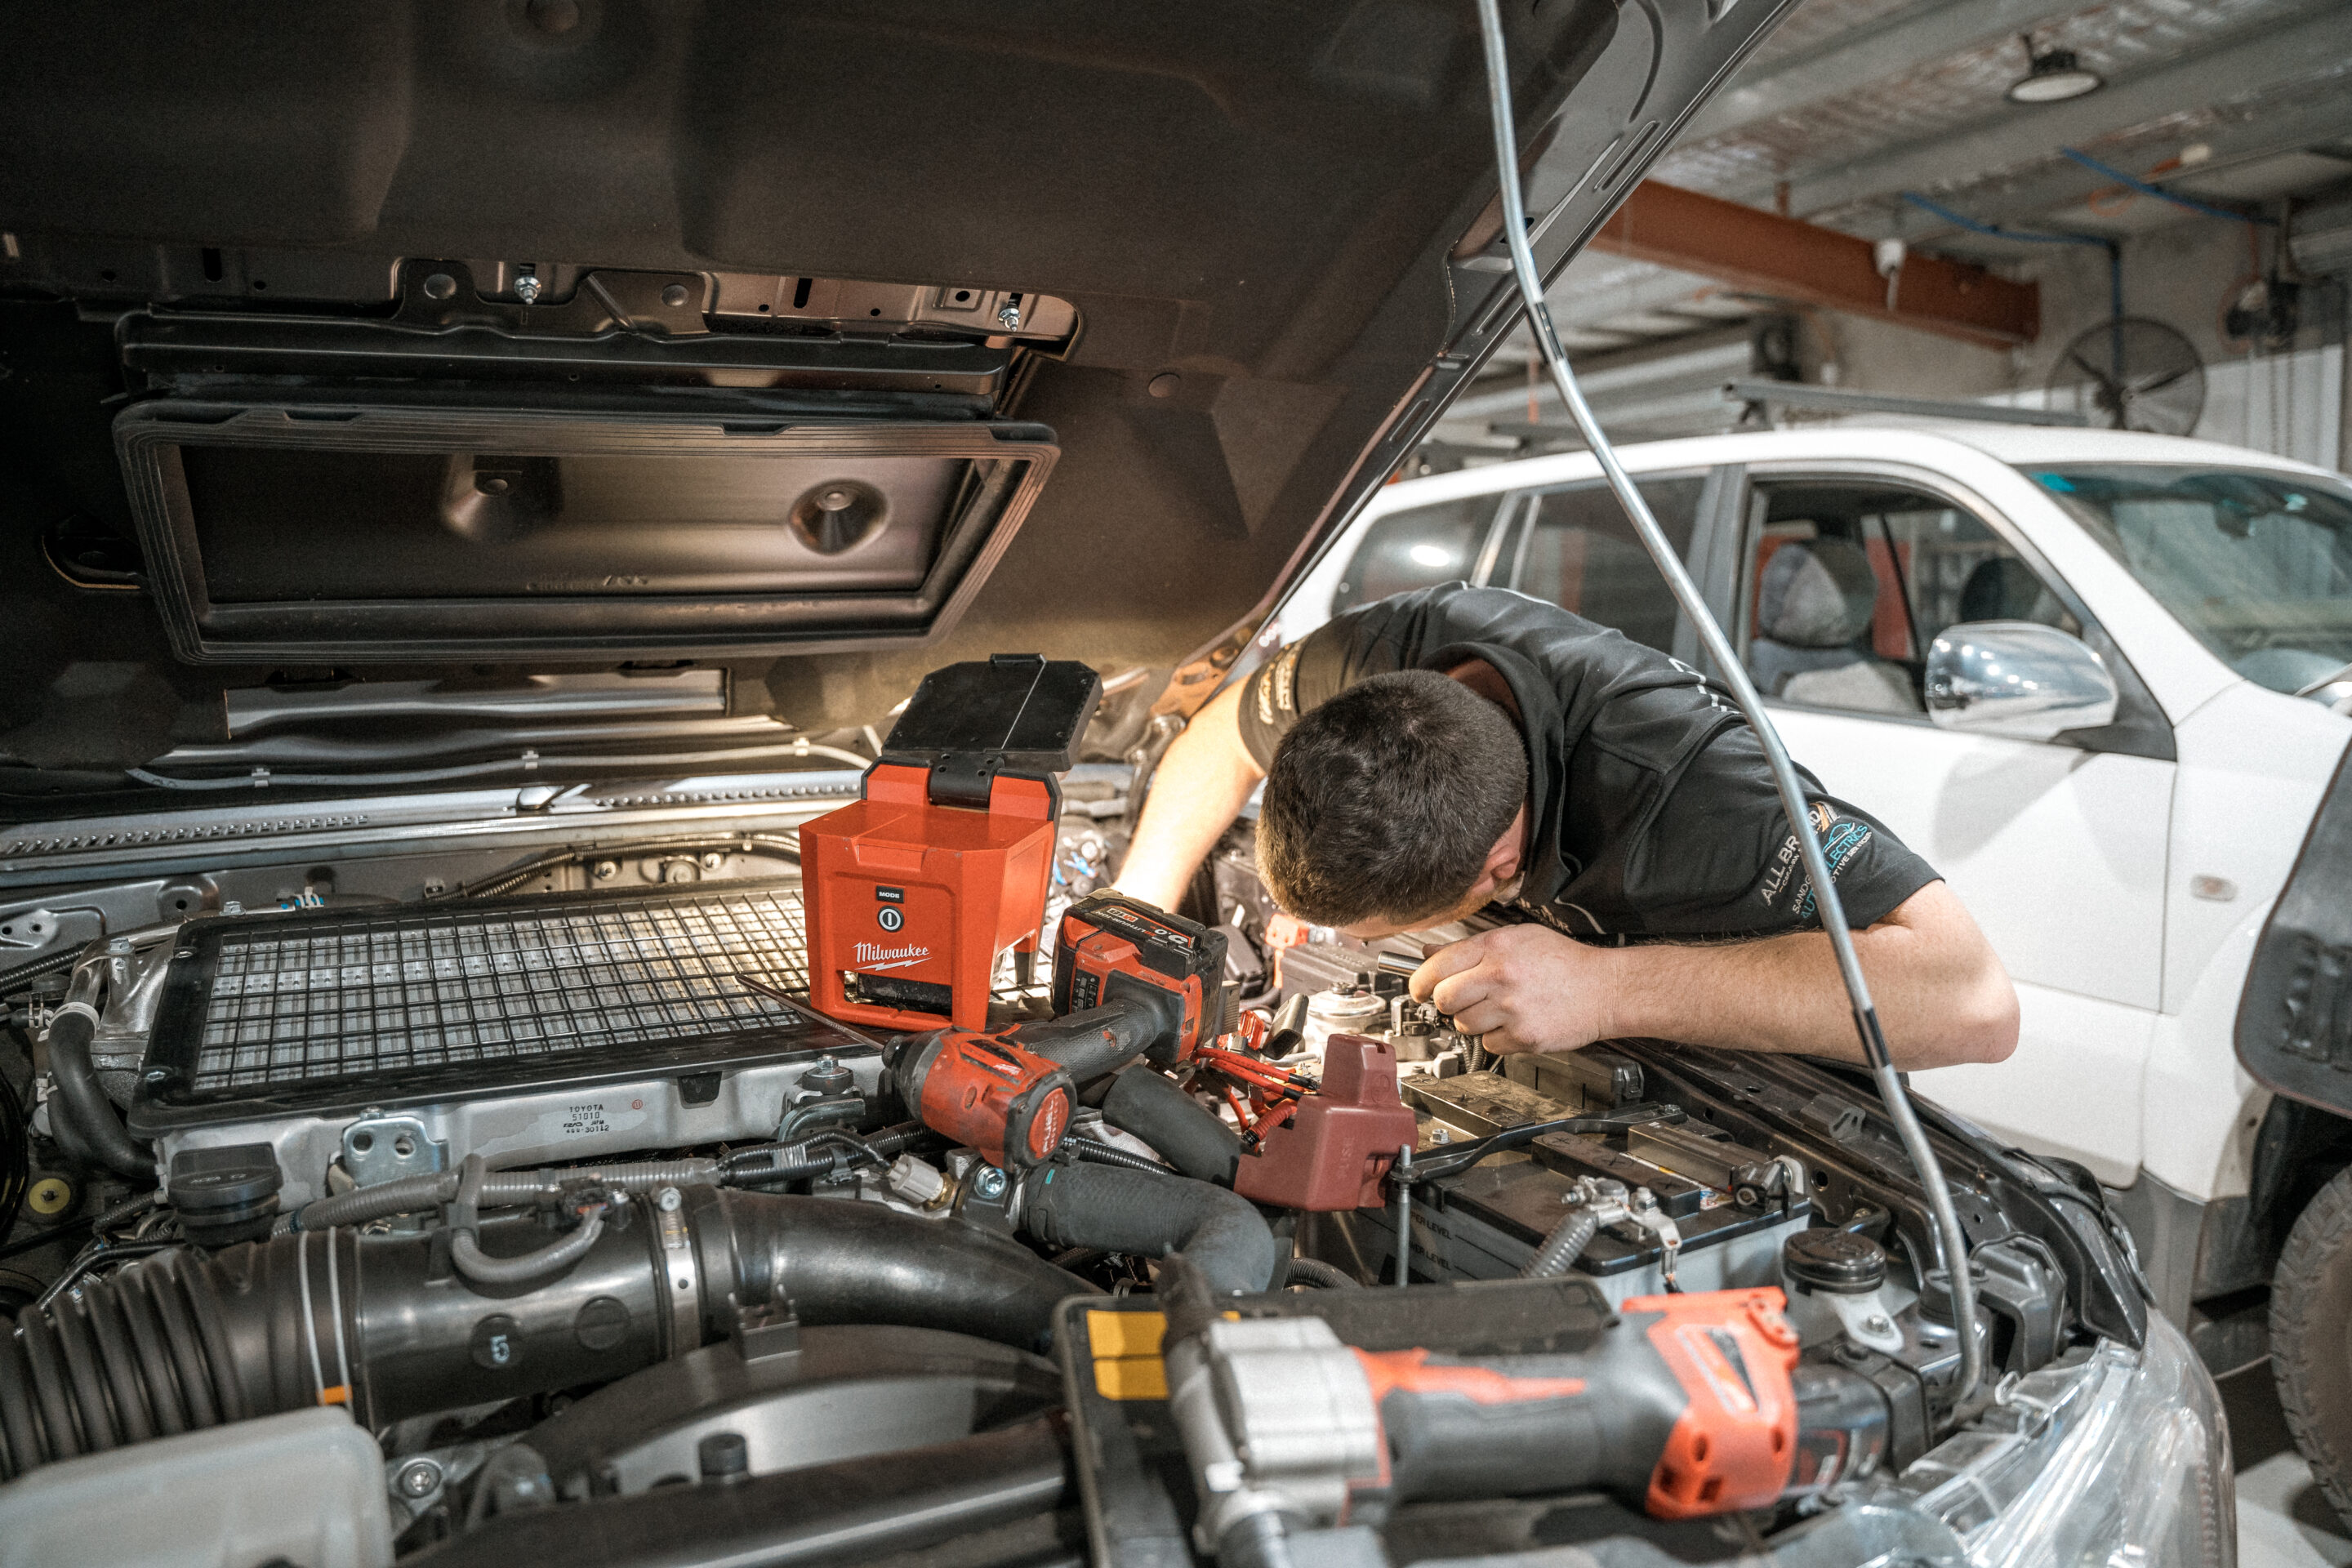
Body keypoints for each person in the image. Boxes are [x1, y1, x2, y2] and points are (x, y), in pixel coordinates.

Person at [1112, 584, 2017, 1071]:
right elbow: (1227, 732)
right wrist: (1132, 919)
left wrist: (1606, 990)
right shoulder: (1384, 652)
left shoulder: (1691, 788)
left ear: (1498, 865)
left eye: (1365, 935)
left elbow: (1976, 1006)